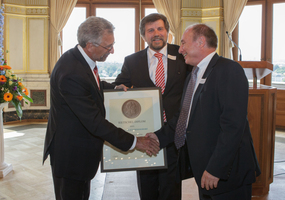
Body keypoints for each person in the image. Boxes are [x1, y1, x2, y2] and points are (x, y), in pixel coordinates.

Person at [43, 16, 159, 200]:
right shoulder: (72, 73)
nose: (112, 51)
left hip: (79, 153)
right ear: (90, 45)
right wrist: (136, 141)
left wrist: (113, 88)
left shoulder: (78, 59)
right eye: (108, 46)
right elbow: (95, 122)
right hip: (71, 157)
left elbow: (91, 85)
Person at [147, 24, 261, 200]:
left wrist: (216, 168)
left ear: (201, 42)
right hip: (203, 171)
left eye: (184, 43)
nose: (180, 49)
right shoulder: (193, 74)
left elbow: (233, 126)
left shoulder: (228, 70)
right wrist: (157, 137)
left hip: (225, 174)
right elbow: (184, 118)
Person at [114, 13, 192, 200]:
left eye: (160, 29)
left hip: (174, 131)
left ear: (167, 32)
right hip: (145, 135)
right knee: (147, 188)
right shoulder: (132, 61)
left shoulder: (182, 54)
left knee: (171, 188)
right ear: (143, 35)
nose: (156, 34)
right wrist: (119, 88)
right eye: (150, 30)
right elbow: (120, 84)